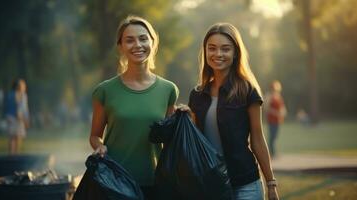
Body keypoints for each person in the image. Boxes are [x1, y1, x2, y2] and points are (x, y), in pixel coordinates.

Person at [89, 15, 179, 200]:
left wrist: (182, 118)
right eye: (129, 40)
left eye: (143, 38)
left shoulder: (168, 89)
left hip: (155, 181)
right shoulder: (104, 90)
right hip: (115, 182)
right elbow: (94, 135)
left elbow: (169, 139)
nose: (137, 45)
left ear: (152, 43)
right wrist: (99, 146)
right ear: (120, 47)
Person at [186, 23, 279, 200]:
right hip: (210, 185)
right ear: (205, 52)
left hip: (246, 184)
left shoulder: (247, 91)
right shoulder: (197, 94)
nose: (218, 54)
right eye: (212, 48)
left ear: (235, 53)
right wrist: (183, 115)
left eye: (225, 49)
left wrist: (271, 183)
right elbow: (195, 140)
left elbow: (257, 139)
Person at [4, 79, 29, 154]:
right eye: (23, 85)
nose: (24, 87)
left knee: (12, 137)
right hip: (17, 118)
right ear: (19, 86)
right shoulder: (21, 95)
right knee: (17, 137)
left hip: (10, 117)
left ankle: (11, 156)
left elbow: (6, 106)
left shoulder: (10, 94)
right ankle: (15, 156)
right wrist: (25, 119)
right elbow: (22, 108)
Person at [265, 80, 286, 158]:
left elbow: (282, 107)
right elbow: (266, 108)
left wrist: (282, 113)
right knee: (272, 136)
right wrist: (276, 113)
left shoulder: (278, 96)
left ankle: (273, 152)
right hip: (271, 119)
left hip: (278, 120)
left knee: (275, 136)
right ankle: (271, 153)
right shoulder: (269, 96)